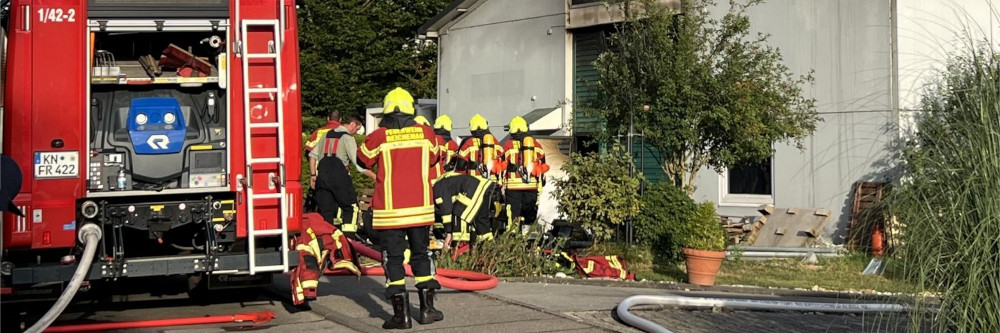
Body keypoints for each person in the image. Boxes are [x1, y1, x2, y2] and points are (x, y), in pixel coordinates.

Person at [358, 87, 443, 329]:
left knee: (393, 259)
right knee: (421, 255)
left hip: (390, 212)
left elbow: (362, 159)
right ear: (410, 109)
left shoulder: (379, 136)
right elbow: (436, 157)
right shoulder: (425, 133)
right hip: (420, 208)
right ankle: (427, 311)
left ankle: (401, 316)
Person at [308, 115, 374, 233]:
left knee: (327, 213)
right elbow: (358, 165)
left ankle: (329, 240)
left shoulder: (326, 135)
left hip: (322, 178)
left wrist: (313, 175)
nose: (356, 132)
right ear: (353, 124)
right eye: (357, 129)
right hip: (339, 178)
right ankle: (348, 240)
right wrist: (375, 177)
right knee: (351, 208)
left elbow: (312, 156)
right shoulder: (347, 138)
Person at [433, 158, 504, 252]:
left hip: (473, 190)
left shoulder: (438, 188)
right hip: (485, 188)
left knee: (459, 215)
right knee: (481, 223)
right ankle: (490, 252)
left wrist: (449, 233)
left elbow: (446, 210)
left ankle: (460, 252)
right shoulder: (448, 180)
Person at [501, 116, 549, 234]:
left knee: (513, 216)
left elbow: (502, 165)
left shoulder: (508, 145)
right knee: (530, 216)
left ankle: (513, 240)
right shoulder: (536, 145)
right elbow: (542, 167)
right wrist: (540, 184)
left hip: (513, 188)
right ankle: (530, 242)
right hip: (531, 187)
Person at [458, 114, 505, 180]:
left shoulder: (469, 142)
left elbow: (460, 165)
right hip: (492, 180)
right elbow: (503, 160)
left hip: (474, 180)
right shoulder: (494, 141)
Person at [305, 109, 342, 189]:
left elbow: (309, 152)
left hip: (321, 174)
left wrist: (313, 174)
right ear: (340, 119)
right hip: (340, 174)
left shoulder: (318, 132)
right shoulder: (346, 133)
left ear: (328, 118)